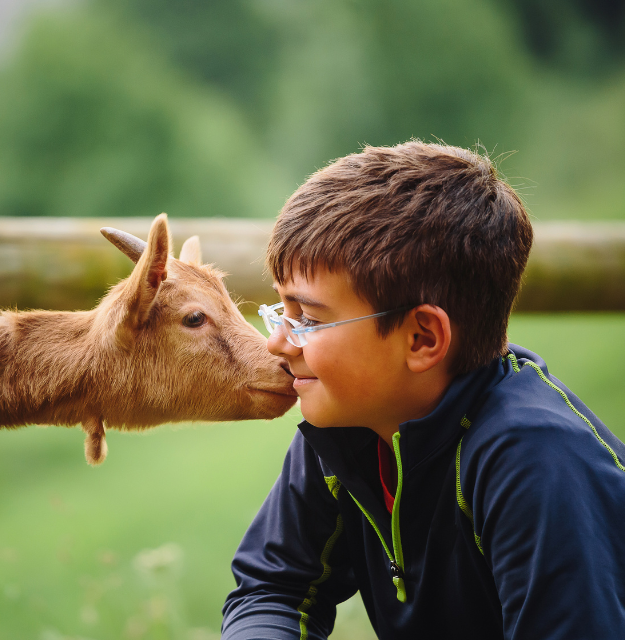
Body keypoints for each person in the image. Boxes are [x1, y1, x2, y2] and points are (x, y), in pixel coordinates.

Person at [221, 141, 625, 639]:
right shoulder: (351, 428)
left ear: (422, 339)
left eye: (309, 319)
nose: (278, 343)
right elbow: (273, 588)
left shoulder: (537, 462)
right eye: (282, 311)